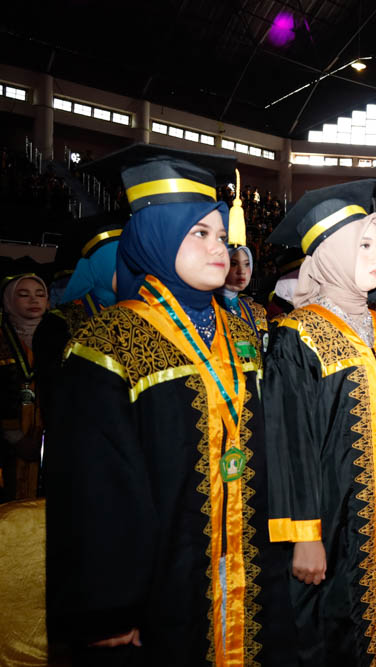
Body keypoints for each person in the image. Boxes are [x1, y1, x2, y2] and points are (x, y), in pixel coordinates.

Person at [45, 144, 294, 664]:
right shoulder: (109, 342)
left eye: (221, 236)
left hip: (251, 561)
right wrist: (107, 606)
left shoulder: (241, 332)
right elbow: (95, 487)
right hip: (162, 576)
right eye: (199, 233)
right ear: (156, 235)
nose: (219, 248)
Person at [264, 179, 376, 666]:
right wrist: (304, 534)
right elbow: (290, 441)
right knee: (335, 630)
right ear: (330, 253)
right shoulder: (298, 336)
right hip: (332, 519)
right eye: (363, 247)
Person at [33, 216, 123, 419]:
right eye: (117, 261)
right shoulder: (59, 322)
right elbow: (52, 391)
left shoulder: (141, 313)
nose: (128, 270)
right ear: (99, 265)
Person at [0, 273, 48, 502]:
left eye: (40, 294)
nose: (33, 300)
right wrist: (15, 437)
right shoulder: (2, 337)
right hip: (8, 438)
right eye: (23, 295)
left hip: (50, 436)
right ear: (9, 300)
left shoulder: (61, 337)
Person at [216, 245, 269, 350]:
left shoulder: (257, 311)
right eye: (233, 264)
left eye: (246, 264)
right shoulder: (205, 311)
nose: (242, 271)